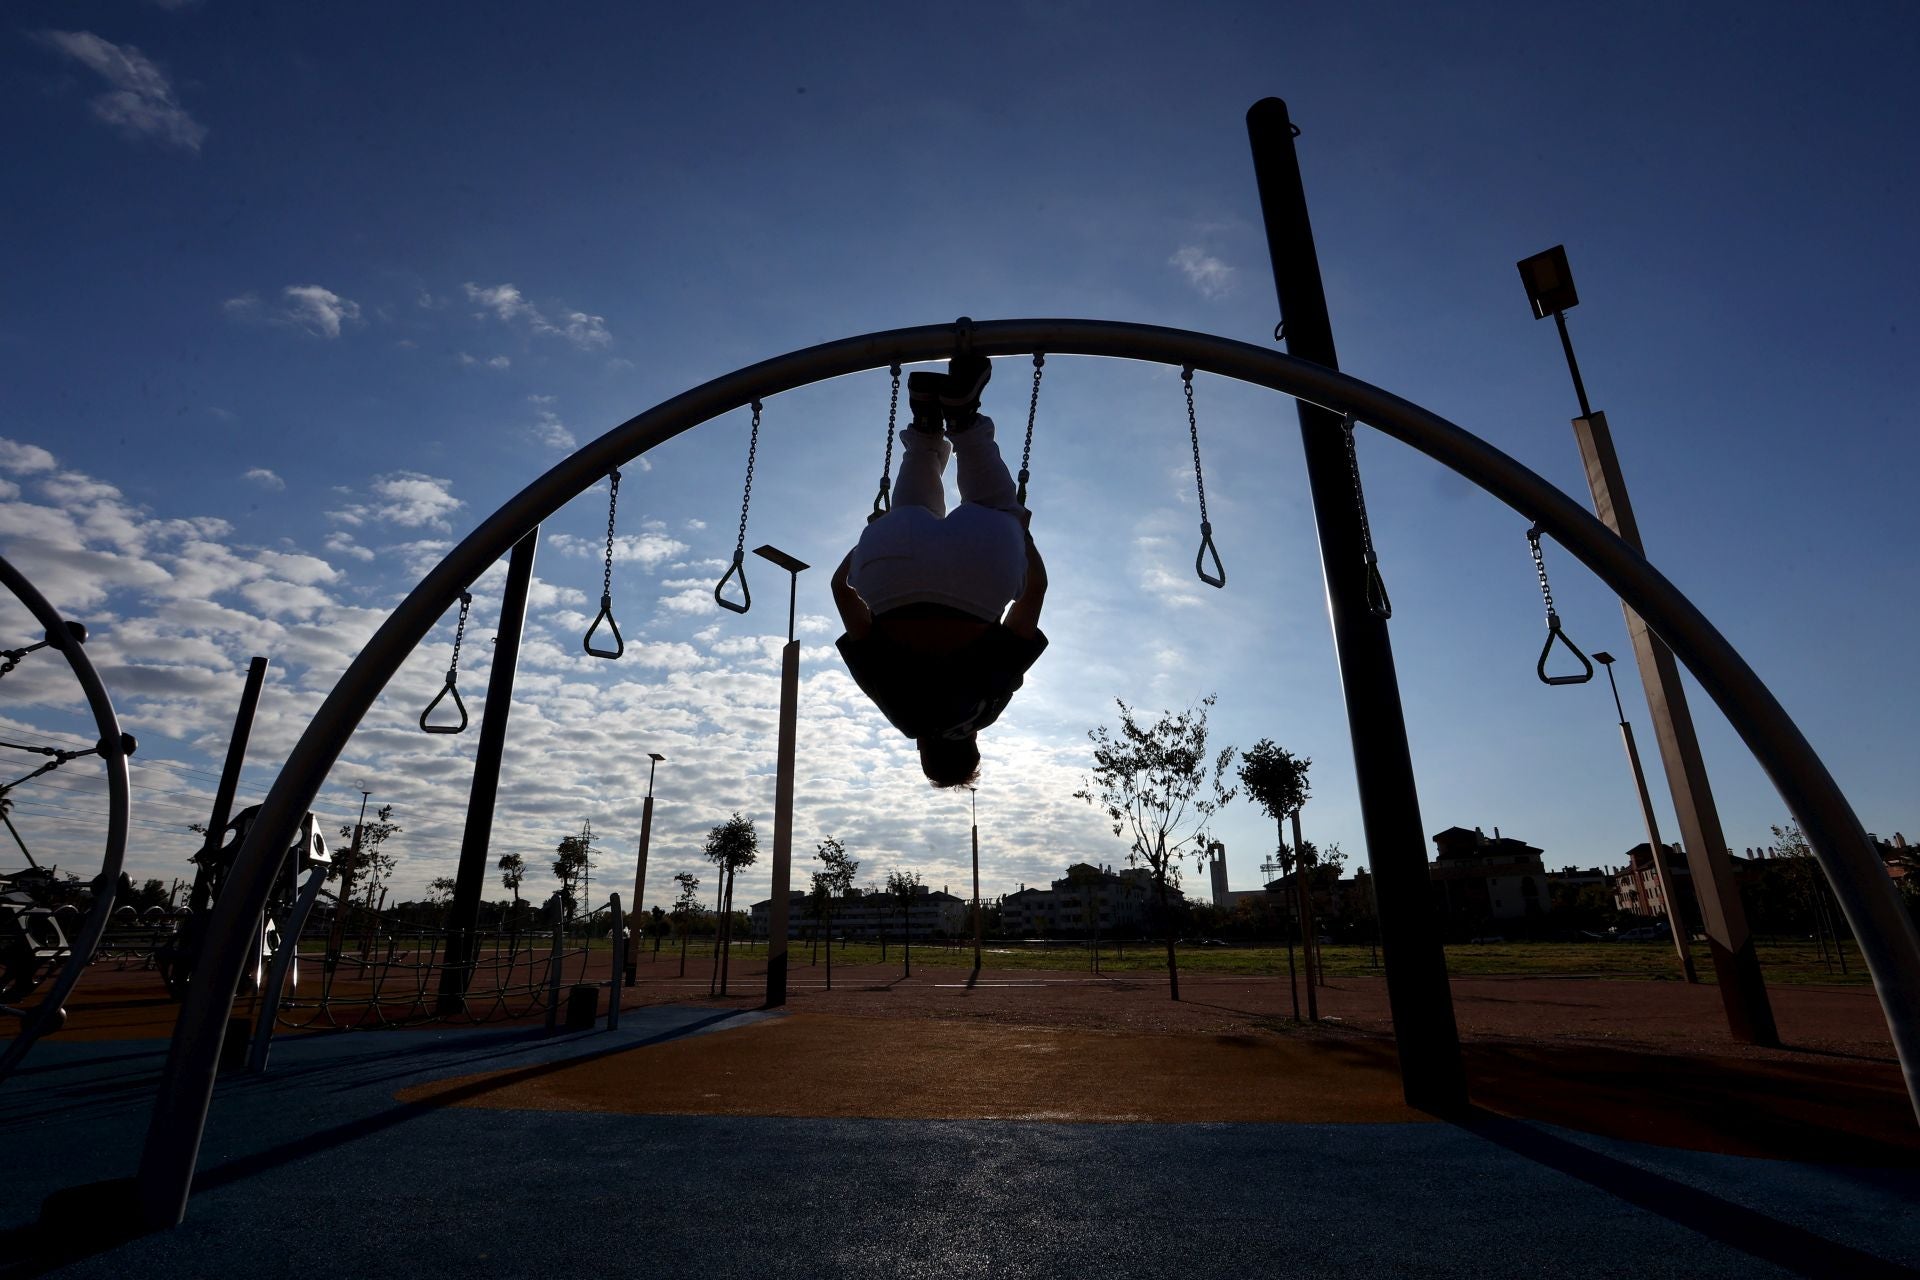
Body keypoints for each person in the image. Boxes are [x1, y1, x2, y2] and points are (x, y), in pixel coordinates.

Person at [832, 355, 1048, 788]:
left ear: (973, 744)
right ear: (922, 749)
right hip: (889, 566)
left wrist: (1018, 533)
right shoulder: (899, 709)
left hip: (981, 572)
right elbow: (841, 590)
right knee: (910, 514)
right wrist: (871, 541)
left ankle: (963, 418)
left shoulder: (986, 707)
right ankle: (926, 421)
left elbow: (1034, 595)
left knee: (995, 511)